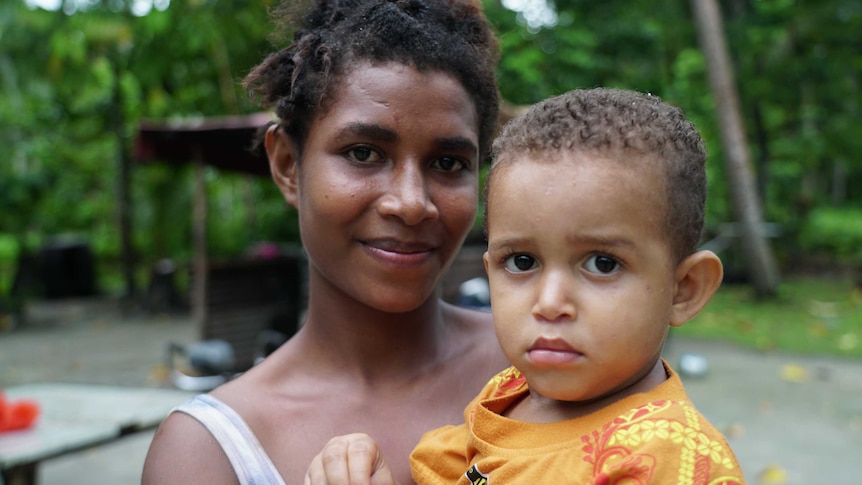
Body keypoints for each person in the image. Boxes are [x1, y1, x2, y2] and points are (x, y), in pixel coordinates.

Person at [141, 0, 509, 483]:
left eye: (448, 163)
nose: (411, 203)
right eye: (363, 153)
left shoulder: (550, 368)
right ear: (288, 166)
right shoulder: (209, 453)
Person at [304, 88, 746, 484]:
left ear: (684, 289)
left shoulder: (666, 459)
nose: (550, 303)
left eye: (603, 263)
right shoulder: (508, 396)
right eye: (521, 261)